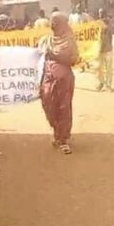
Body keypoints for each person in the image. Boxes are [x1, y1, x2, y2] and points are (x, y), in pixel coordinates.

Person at [39, 12, 79, 154]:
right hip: (47, 80)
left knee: (63, 108)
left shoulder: (69, 40)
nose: (53, 24)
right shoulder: (45, 40)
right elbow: (36, 58)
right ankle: (57, 131)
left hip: (64, 80)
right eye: (52, 21)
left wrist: (54, 55)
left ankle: (63, 139)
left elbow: (73, 60)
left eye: (56, 21)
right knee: (49, 106)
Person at [97, 8, 114, 92]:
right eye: (100, 13)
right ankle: (101, 83)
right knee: (99, 68)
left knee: (109, 69)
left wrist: (108, 25)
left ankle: (108, 85)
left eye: (102, 13)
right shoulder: (97, 23)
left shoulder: (110, 22)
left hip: (108, 49)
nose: (101, 15)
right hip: (99, 49)